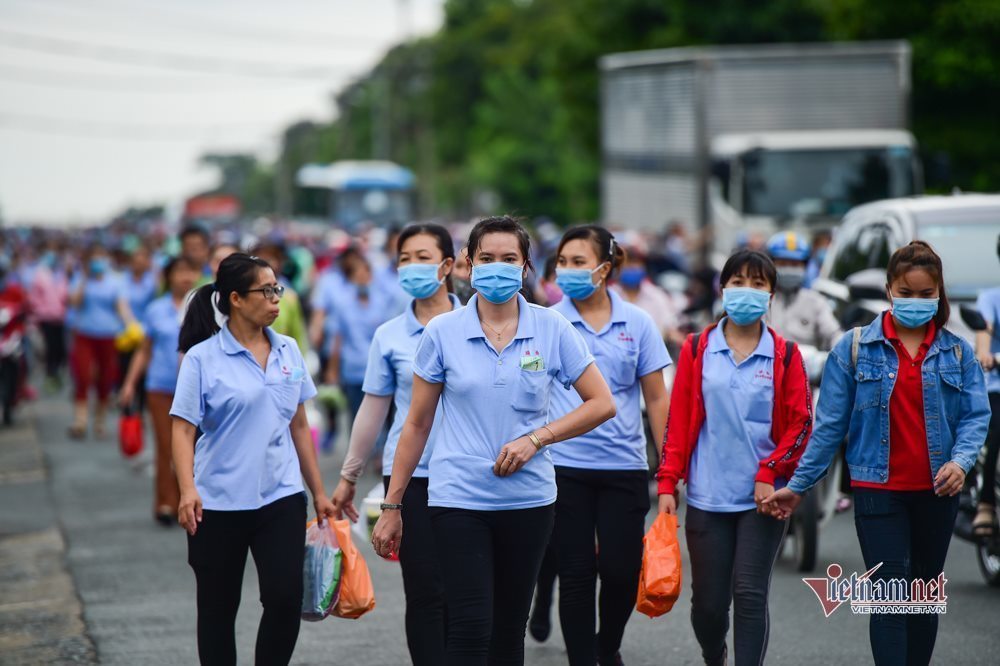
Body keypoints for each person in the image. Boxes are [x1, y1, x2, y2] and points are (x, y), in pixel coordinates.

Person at [372, 215, 616, 666]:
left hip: (529, 500)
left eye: (509, 259)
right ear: (467, 263)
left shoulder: (551, 328)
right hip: (458, 498)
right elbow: (417, 424)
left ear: (525, 266)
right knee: (469, 627)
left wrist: (538, 439)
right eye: (487, 258)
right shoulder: (441, 332)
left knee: (507, 631)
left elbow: (601, 403)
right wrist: (392, 506)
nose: (497, 268)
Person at [765, 241, 990, 666]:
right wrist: (797, 487)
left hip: (937, 494)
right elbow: (829, 427)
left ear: (940, 293)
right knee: (890, 599)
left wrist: (960, 463)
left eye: (927, 295)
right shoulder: (853, 350)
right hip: (876, 492)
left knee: (923, 598)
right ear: (889, 290)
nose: (916, 302)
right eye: (907, 292)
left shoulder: (958, 353)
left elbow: (976, 417)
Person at [170, 253, 336, 666]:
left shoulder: (289, 350)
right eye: (267, 290)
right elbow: (183, 429)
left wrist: (318, 492)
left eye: (277, 288)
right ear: (236, 299)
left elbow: (299, 425)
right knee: (217, 610)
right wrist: (187, 490)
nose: (277, 297)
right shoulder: (202, 359)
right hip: (217, 502)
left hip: (279, 497)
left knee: (284, 599)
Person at [656, 248, 813, 666]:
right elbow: (679, 421)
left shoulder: (786, 355)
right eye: (738, 282)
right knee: (708, 606)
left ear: (771, 295)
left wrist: (771, 471)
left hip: (763, 498)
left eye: (758, 284)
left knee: (748, 592)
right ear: (722, 288)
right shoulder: (696, 349)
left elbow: (801, 425)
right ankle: (714, 653)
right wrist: (668, 481)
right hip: (708, 496)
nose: (747, 291)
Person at [330, 223, 459, 665]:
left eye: (422, 256)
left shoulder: (479, 323)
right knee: (425, 588)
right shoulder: (389, 335)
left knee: (468, 590)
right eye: (404, 258)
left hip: (475, 474)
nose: (411, 266)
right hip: (412, 476)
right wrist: (349, 476)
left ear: (447, 265)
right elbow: (373, 409)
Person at [545, 225, 672, 665]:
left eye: (578, 262)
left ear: (604, 268)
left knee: (620, 573)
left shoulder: (637, 322)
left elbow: (656, 397)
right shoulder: (550, 321)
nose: (567, 271)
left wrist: (669, 466)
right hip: (563, 466)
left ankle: (607, 647)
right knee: (576, 575)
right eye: (562, 262)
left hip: (624, 467)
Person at [119, 257, 199, 526]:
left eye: (190, 271)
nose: (185, 277)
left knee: (195, 447)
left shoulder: (202, 307)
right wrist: (130, 384)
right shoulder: (156, 309)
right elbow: (145, 350)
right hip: (161, 387)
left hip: (195, 389)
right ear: (168, 277)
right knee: (166, 446)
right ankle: (165, 502)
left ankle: (187, 500)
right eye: (179, 272)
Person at [67, 245, 134, 439]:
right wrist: (85, 281)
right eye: (94, 258)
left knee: (105, 379)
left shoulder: (116, 281)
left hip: (109, 335)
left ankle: (100, 421)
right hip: (84, 334)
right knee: (82, 375)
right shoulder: (81, 279)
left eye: (101, 257)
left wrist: (131, 326)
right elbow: (74, 303)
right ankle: (80, 421)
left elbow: (122, 307)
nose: (98, 262)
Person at [765, 231, 842, 352]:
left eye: (795, 264)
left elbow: (834, 335)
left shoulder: (815, 302)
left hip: (806, 369)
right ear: (770, 265)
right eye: (783, 263)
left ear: (805, 266)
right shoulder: (761, 300)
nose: (789, 268)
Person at [973, 235, 1000, 537]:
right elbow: (984, 333)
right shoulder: (990, 299)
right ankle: (987, 504)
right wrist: (986, 355)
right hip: (996, 387)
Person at [28, 245, 69, 393]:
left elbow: (65, 295)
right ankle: (50, 375)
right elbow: (35, 298)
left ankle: (56, 373)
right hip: (45, 318)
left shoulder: (60, 274)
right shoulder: (40, 275)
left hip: (60, 318)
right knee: (50, 348)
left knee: (60, 349)